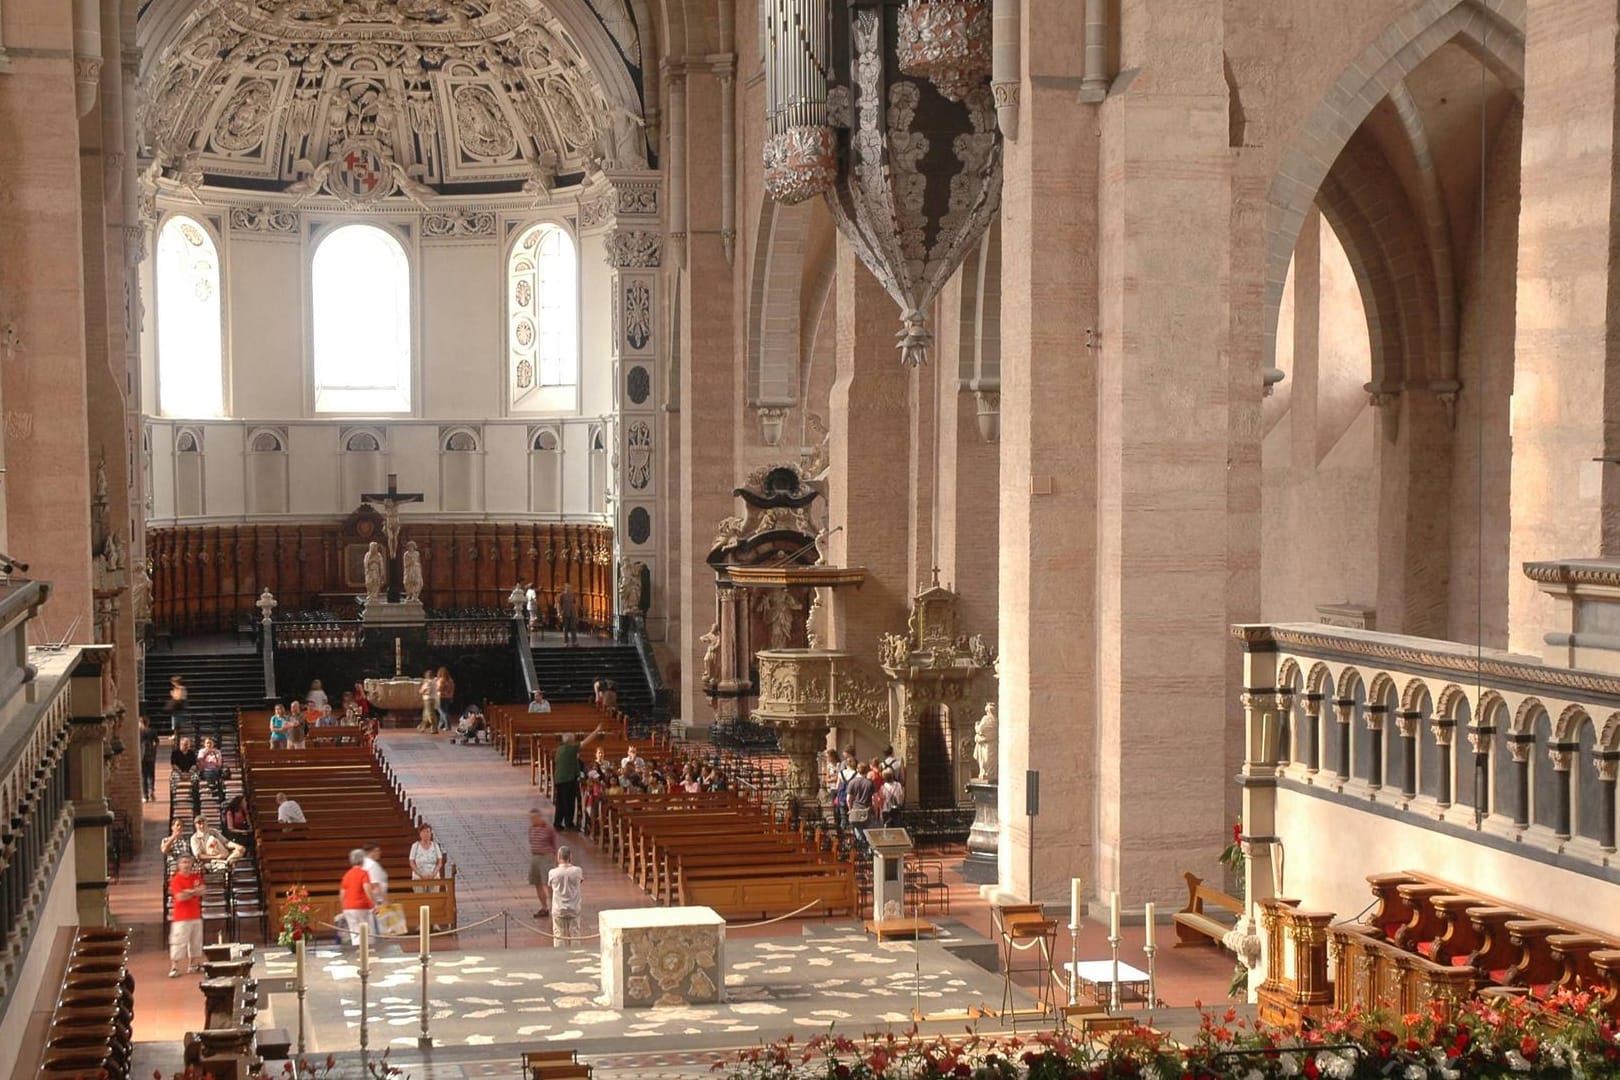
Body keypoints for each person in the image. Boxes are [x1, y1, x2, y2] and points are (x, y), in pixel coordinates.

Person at [553, 724, 607, 831]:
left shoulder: (560, 748)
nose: (574, 741)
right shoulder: (570, 748)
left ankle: (558, 822)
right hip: (567, 779)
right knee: (568, 801)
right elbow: (586, 741)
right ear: (570, 741)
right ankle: (569, 823)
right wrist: (597, 730)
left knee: (561, 801)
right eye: (573, 740)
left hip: (560, 778)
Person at [168, 854, 206, 977]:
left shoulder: (196, 877)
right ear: (179, 865)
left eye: (188, 862)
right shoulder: (176, 880)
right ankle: (175, 967)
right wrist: (194, 892)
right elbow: (180, 897)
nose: (186, 865)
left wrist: (189, 892)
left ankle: (193, 965)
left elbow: (203, 890)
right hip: (181, 917)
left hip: (195, 915)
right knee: (179, 942)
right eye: (183, 862)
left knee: (195, 941)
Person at [547, 846, 584, 947]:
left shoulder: (552, 873)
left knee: (559, 936)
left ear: (558, 857)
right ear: (570, 857)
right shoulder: (577, 871)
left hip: (559, 908)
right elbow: (580, 881)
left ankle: (561, 958)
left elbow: (550, 885)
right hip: (574, 908)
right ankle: (577, 955)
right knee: (575, 934)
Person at [339, 848, 376, 944]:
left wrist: (343, 907)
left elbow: (342, 894)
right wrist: (374, 904)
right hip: (362, 907)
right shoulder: (363, 873)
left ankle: (357, 955)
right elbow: (367, 889)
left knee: (355, 934)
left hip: (348, 908)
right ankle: (367, 955)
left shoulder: (347, 875)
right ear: (362, 859)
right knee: (367, 934)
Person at [528, 807, 558, 917]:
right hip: (535, 857)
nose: (532, 820)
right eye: (531, 818)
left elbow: (553, 843)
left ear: (539, 818)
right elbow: (531, 841)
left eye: (534, 818)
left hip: (546, 857)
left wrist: (554, 857)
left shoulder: (548, 829)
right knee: (537, 883)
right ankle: (544, 907)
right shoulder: (531, 829)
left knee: (548, 883)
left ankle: (554, 907)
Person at [171, 735, 202, 817]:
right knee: (173, 779)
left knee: (196, 778)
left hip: (190, 772)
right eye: (184, 744)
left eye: (187, 744)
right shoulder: (175, 753)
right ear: (181, 744)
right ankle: (174, 797)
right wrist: (181, 773)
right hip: (178, 772)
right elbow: (174, 765)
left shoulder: (191, 753)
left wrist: (189, 773)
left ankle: (195, 798)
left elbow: (194, 765)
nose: (186, 746)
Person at [409, 824, 445, 892]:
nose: (426, 834)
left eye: (428, 831)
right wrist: (420, 874)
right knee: (421, 898)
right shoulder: (415, 846)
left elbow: (439, 862)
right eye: (424, 832)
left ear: (431, 833)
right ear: (420, 834)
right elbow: (412, 863)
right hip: (419, 876)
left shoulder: (435, 846)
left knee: (434, 897)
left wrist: (433, 874)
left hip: (433, 876)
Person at [138, 715, 158, 802]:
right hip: (151, 756)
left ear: (141, 722)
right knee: (151, 775)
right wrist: (154, 750)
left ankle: (145, 796)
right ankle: (151, 791)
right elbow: (157, 742)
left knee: (144, 776)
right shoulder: (152, 731)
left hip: (142, 756)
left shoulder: (139, 732)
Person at [435, 667, 455, 732]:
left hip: (441, 697)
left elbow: (439, 688)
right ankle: (440, 725)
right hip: (448, 697)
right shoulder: (450, 680)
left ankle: (448, 726)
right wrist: (451, 696)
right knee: (445, 711)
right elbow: (452, 688)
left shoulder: (441, 680)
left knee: (442, 711)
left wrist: (436, 688)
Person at [418, 669, 438, 733]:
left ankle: (434, 728)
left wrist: (421, 691)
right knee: (426, 714)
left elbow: (426, 691)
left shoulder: (428, 682)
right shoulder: (435, 681)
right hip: (433, 698)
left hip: (428, 699)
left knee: (430, 714)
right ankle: (422, 727)